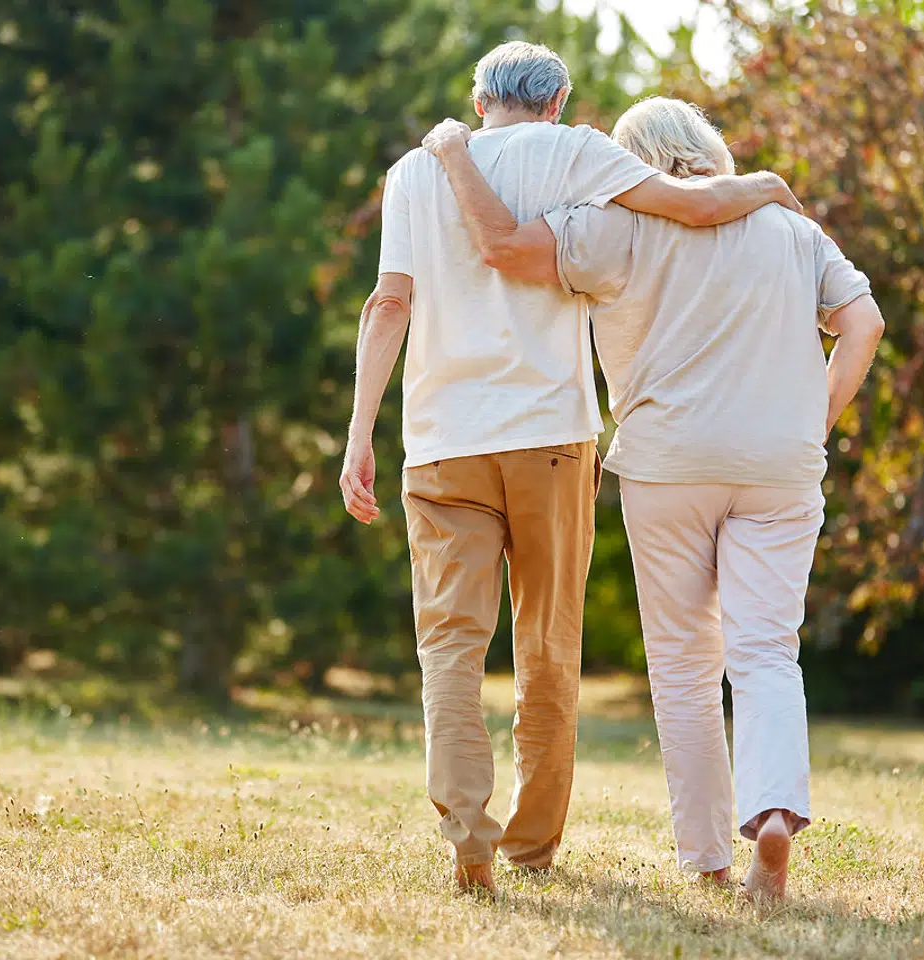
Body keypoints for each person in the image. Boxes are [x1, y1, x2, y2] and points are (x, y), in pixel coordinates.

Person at [338, 43, 802, 895]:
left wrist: (360, 433)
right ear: (556, 101)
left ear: (478, 98)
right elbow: (696, 206)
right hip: (551, 438)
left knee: (450, 647)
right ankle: (532, 846)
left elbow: (389, 302)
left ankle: (467, 836)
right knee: (547, 648)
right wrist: (768, 186)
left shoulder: (413, 172)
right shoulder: (579, 151)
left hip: (441, 444)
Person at [421, 97, 885, 900]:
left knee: (683, 666)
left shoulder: (614, 225)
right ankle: (774, 814)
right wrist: (813, 421)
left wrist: (457, 156)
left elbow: (504, 248)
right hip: (780, 464)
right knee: (767, 652)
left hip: (667, 464)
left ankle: (707, 857)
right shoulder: (788, 226)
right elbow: (864, 322)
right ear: (708, 149)